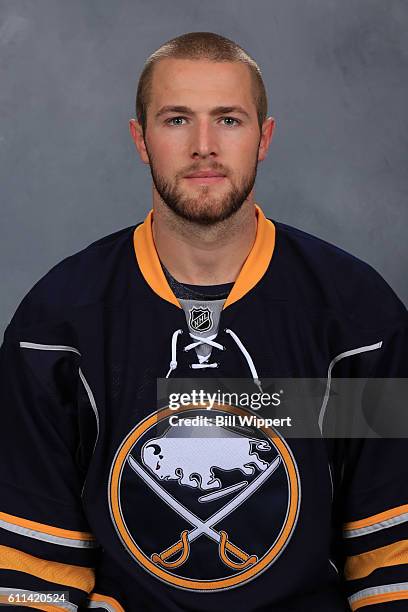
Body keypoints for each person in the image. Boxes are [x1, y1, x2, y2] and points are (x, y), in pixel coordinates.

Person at [0, 31, 407, 612]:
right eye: (176, 120)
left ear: (264, 138)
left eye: (230, 121)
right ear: (141, 139)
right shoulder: (56, 328)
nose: (204, 146)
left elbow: (391, 562)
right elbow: (32, 576)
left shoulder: (359, 319)